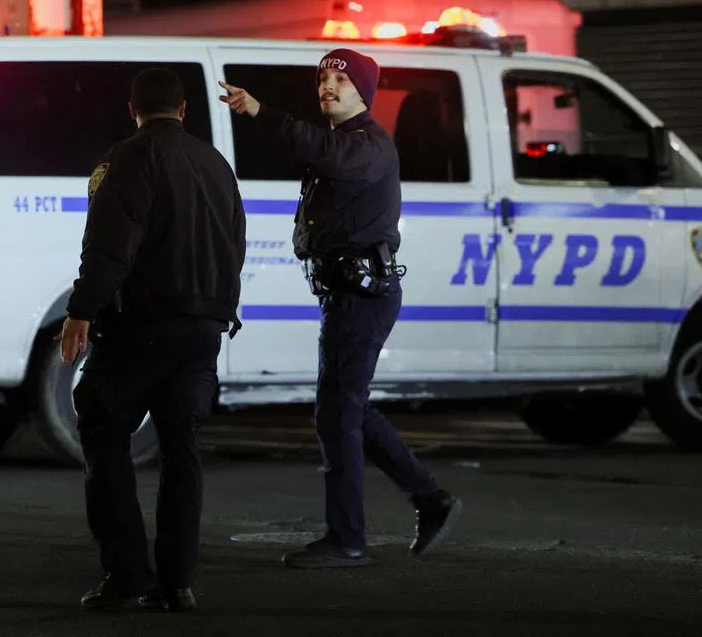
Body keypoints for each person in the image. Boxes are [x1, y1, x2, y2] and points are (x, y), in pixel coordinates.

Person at [219, 47, 462, 569]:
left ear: (364, 92)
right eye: (323, 76)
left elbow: (318, 152)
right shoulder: (342, 143)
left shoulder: (369, 146)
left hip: (363, 297)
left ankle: (349, 539)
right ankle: (429, 498)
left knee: (338, 413)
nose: (327, 85)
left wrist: (263, 112)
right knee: (346, 407)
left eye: (340, 79)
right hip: (344, 293)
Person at [58, 67, 246, 612]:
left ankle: (126, 570)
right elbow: (235, 243)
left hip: (144, 324)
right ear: (184, 109)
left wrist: (81, 311)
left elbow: (110, 245)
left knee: (101, 422)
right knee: (181, 449)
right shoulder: (217, 164)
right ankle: (178, 582)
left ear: (133, 110)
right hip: (204, 328)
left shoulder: (128, 158)